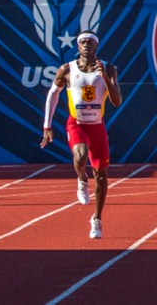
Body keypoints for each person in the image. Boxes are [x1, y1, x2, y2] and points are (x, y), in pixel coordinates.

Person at [41, 30, 122, 239]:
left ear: (96, 46)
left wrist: (103, 75)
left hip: (97, 125)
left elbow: (116, 101)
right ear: (78, 46)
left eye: (90, 42)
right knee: (80, 154)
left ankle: (96, 219)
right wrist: (47, 126)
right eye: (82, 42)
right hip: (76, 123)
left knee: (102, 176)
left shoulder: (108, 68)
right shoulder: (67, 69)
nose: (86, 45)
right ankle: (81, 178)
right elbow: (53, 94)